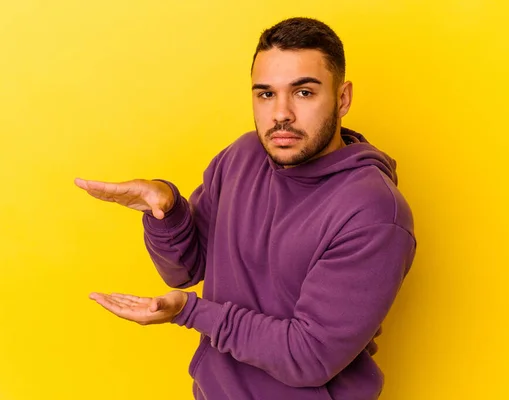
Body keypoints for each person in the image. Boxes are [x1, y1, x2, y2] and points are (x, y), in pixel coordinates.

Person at [75, 17, 416, 400]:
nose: (281, 113)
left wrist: (191, 312)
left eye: (303, 93)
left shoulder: (373, 212)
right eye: (266, 94)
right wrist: (165, 211)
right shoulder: (242, 156)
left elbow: (308, 357)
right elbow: (184, 269)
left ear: (342, 98)